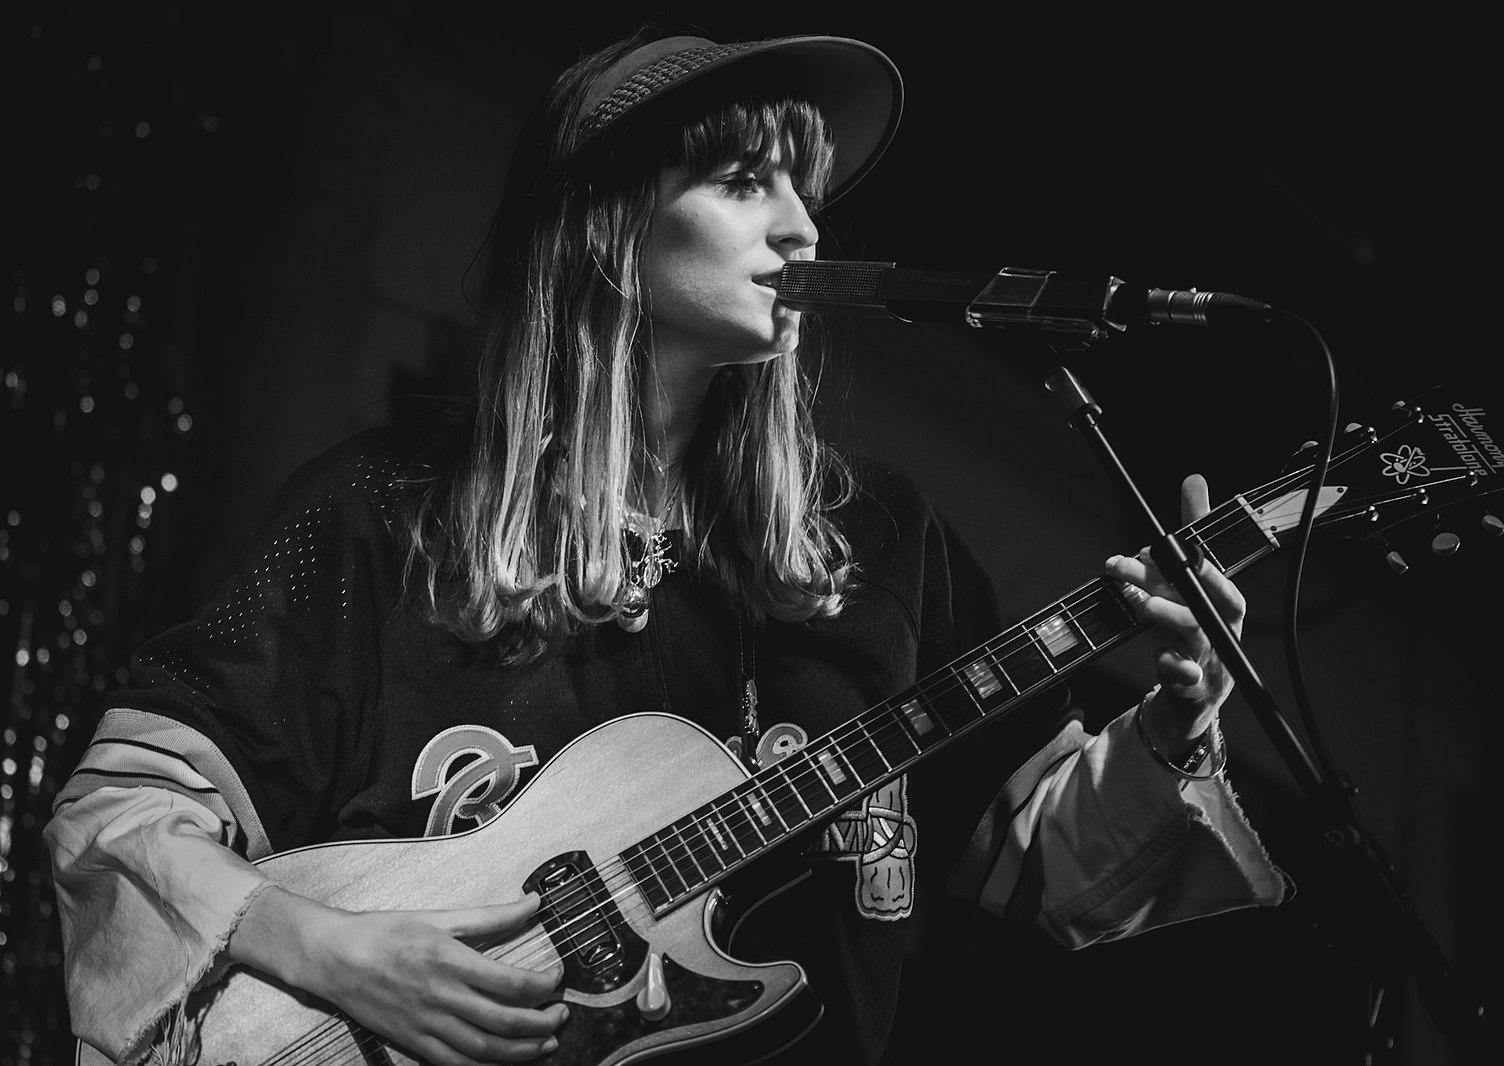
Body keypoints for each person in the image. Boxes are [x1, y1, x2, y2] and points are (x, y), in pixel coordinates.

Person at [45, 29, 1285, 1066]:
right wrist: (339, 953)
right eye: (748, 182)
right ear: (604, 226)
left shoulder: (880, 544)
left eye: (810, 190)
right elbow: (121, 815)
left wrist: (1179, 724)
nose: (806, 230)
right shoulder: (386, 514)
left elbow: (1040, 862)